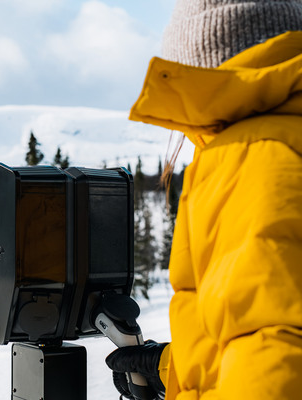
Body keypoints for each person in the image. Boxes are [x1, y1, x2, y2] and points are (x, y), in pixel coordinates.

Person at [105, 1, 302, 399]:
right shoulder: (284, 137)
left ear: (199, 59)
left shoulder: (254, 153)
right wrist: (169, 368)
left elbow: (274, 355)